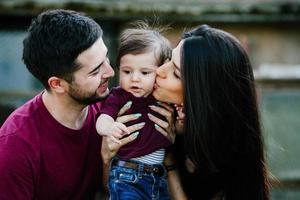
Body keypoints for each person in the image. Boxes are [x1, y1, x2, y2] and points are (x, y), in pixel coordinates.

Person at [0, 9, 146, 199]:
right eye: (95, 71)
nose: (110, 72)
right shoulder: (15, 147)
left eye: (106, 58)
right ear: (57, 84)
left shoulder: (111, 109)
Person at [152, 24, 270, 200]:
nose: (159, 70)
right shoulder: (161, 115)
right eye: (169, 59)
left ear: (203, 95)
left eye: (176, 74)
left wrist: (169, 162)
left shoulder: (229, 159)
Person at [96, 22, 173, 199]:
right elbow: (103, 118)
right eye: (127, 71)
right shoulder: (119, 96)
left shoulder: (163, 96)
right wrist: (108, 128)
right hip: (127, 175)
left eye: (145, 73)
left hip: (158, 176)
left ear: (160, 72)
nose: (135, 79)